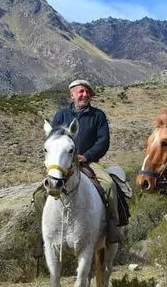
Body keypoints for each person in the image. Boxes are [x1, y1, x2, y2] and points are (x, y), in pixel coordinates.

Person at [46, 79, 122, 245]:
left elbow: (103, 142)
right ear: (71, 95)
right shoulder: (61, 116)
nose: (85, 94)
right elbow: (53, 141)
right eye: (81, 91)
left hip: (89, 163)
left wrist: (86, 156)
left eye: (87, 92)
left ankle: (112, 227)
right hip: (64, 165)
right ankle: (44, 234)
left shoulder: (98, 116)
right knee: (39, 195)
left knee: (109, 185)